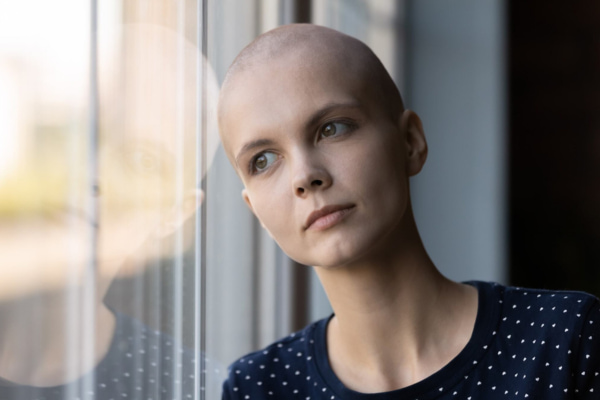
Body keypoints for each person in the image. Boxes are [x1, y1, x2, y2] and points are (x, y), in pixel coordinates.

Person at [217, 24, 600, 399]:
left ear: (410, 142)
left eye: (332, 129)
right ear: (254, 209)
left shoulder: (566, 340)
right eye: (263, 160)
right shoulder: (258, 389)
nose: (305, 176)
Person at [0, 24, 221, 399]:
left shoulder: (189, 387)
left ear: (174, 214)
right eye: (80, 130)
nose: (93, 173)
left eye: (142, 160)